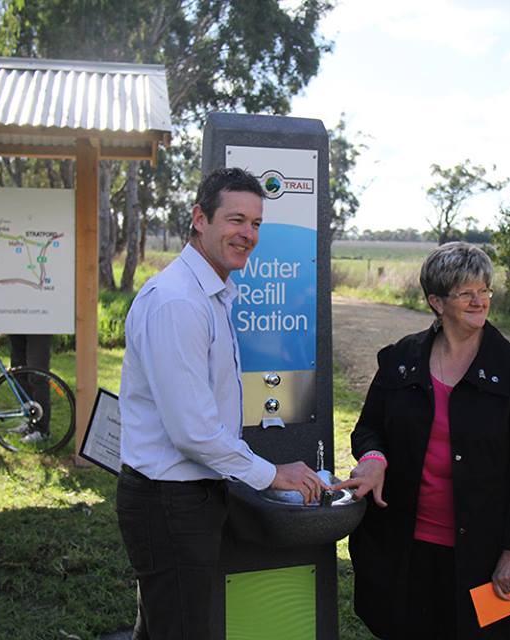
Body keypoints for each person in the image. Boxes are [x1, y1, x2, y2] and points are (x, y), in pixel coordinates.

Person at [115, 167, 328, 640]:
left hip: (187, 496)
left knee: (165, 627)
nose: (247, 234)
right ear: (199, 218)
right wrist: (271, 474)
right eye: (236, 220)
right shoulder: (179, 303)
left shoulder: (210, 295)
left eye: (255, 223)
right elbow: (192, 431)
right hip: (169, 502)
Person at [338, 242, 510, 639]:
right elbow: (369, 427)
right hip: (403, 547)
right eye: (466, 292)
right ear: (436, 301)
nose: (479, 301)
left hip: (484, 555)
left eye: (484, 290)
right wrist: (372, 457)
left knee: (479, 632)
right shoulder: (400, 359)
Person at [8, 334, 52, 443]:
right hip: (18, 324)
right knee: (19, 373)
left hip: (40, 325)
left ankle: (41, 430)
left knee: (37, 376)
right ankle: (30, 421)